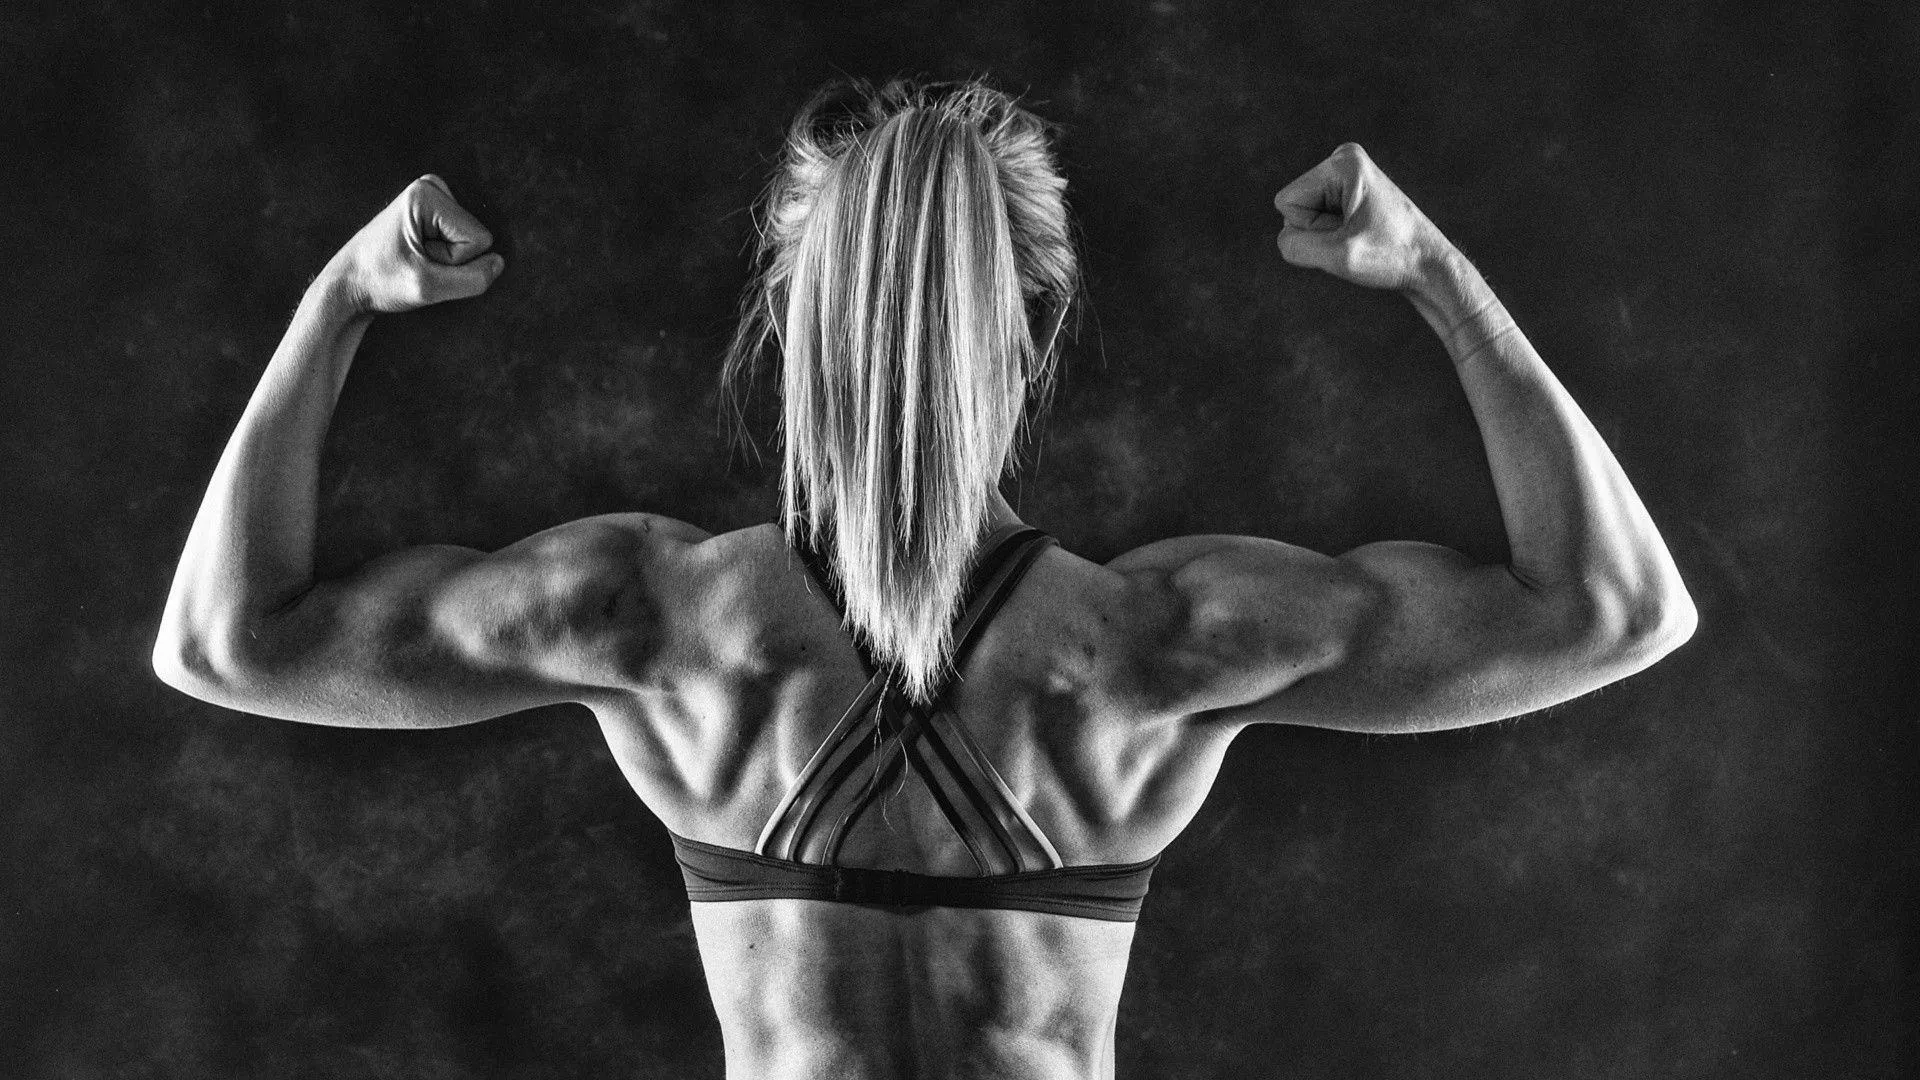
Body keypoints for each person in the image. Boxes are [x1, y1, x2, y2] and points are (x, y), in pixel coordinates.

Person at [153, 76, 1696, 1080]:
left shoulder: (658, 621)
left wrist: (340, 301)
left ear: (790, 311)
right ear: (1037, 320)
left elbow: (227, 644)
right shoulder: (1158, 644)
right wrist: (1432, 274)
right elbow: (1613, 611)